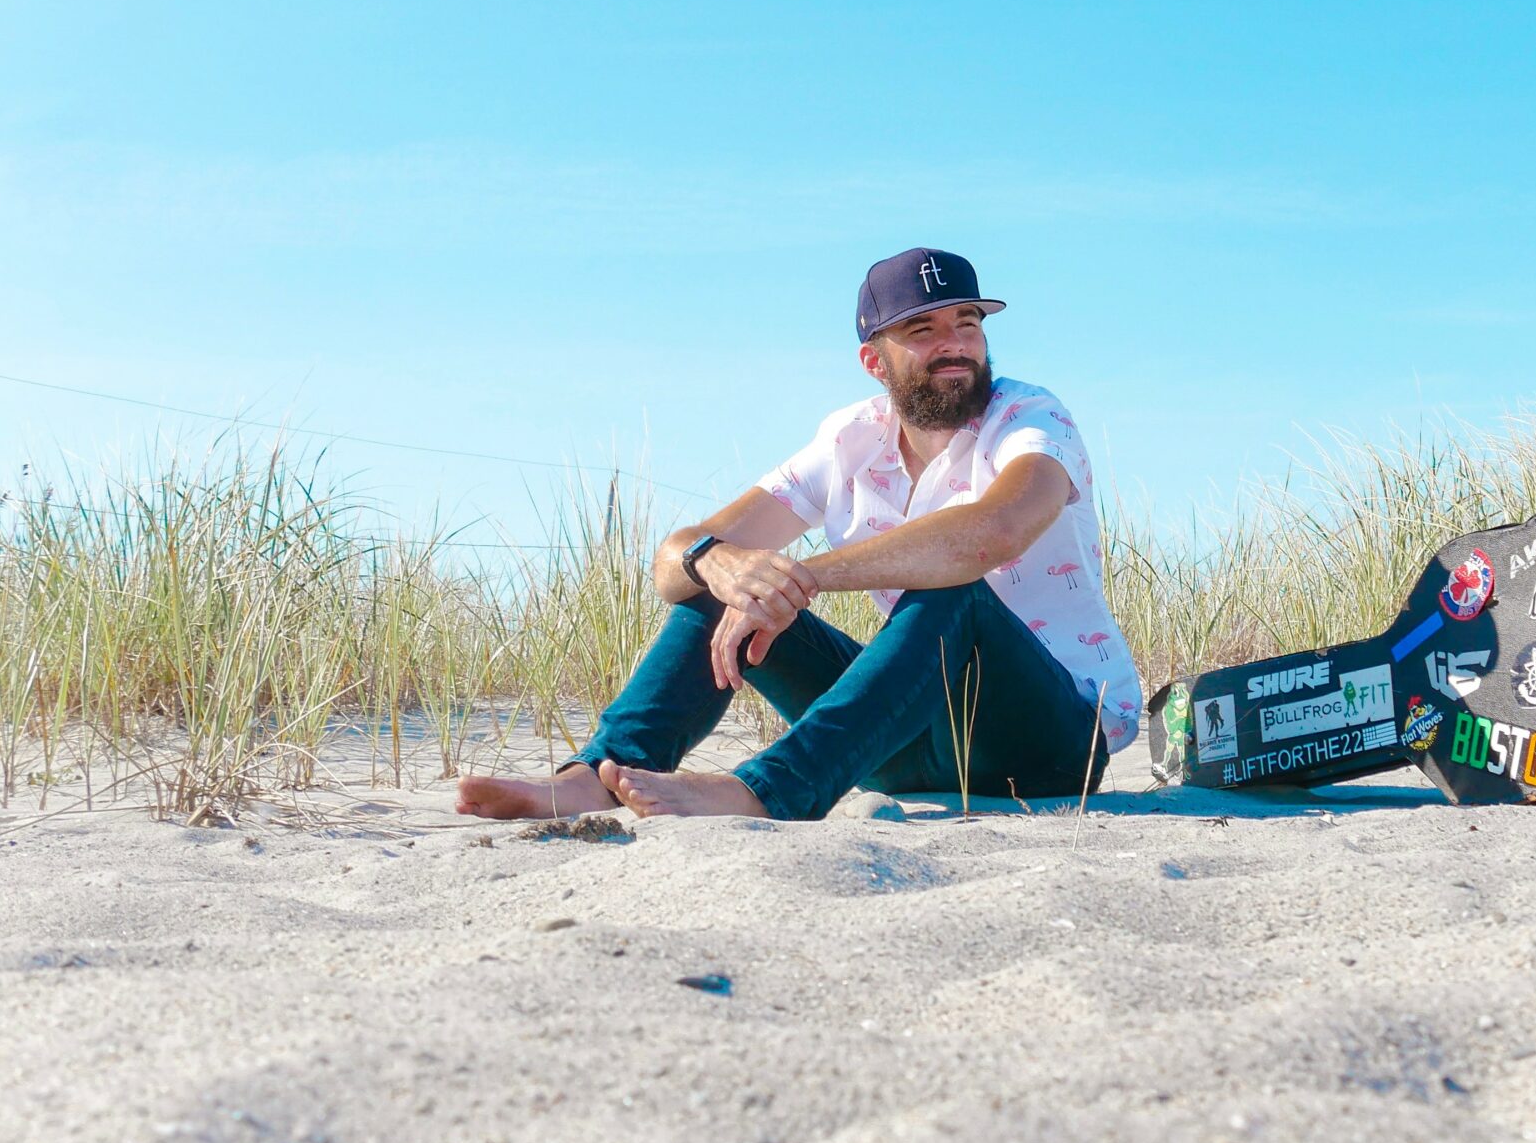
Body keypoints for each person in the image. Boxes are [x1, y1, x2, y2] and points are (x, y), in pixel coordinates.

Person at [456, 247, 1142, 821]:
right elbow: (674, 560)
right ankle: (598, 775)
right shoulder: (850, 439)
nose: (954, 344)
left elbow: (993, 533)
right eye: (924, 329)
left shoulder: (1031, 418)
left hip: (1052, 744)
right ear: (874, 360)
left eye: (968, 323)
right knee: (719, 581)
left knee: (952, 589)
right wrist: (721, 565)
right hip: (903, 743)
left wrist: (804, 577)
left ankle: (768, 791)